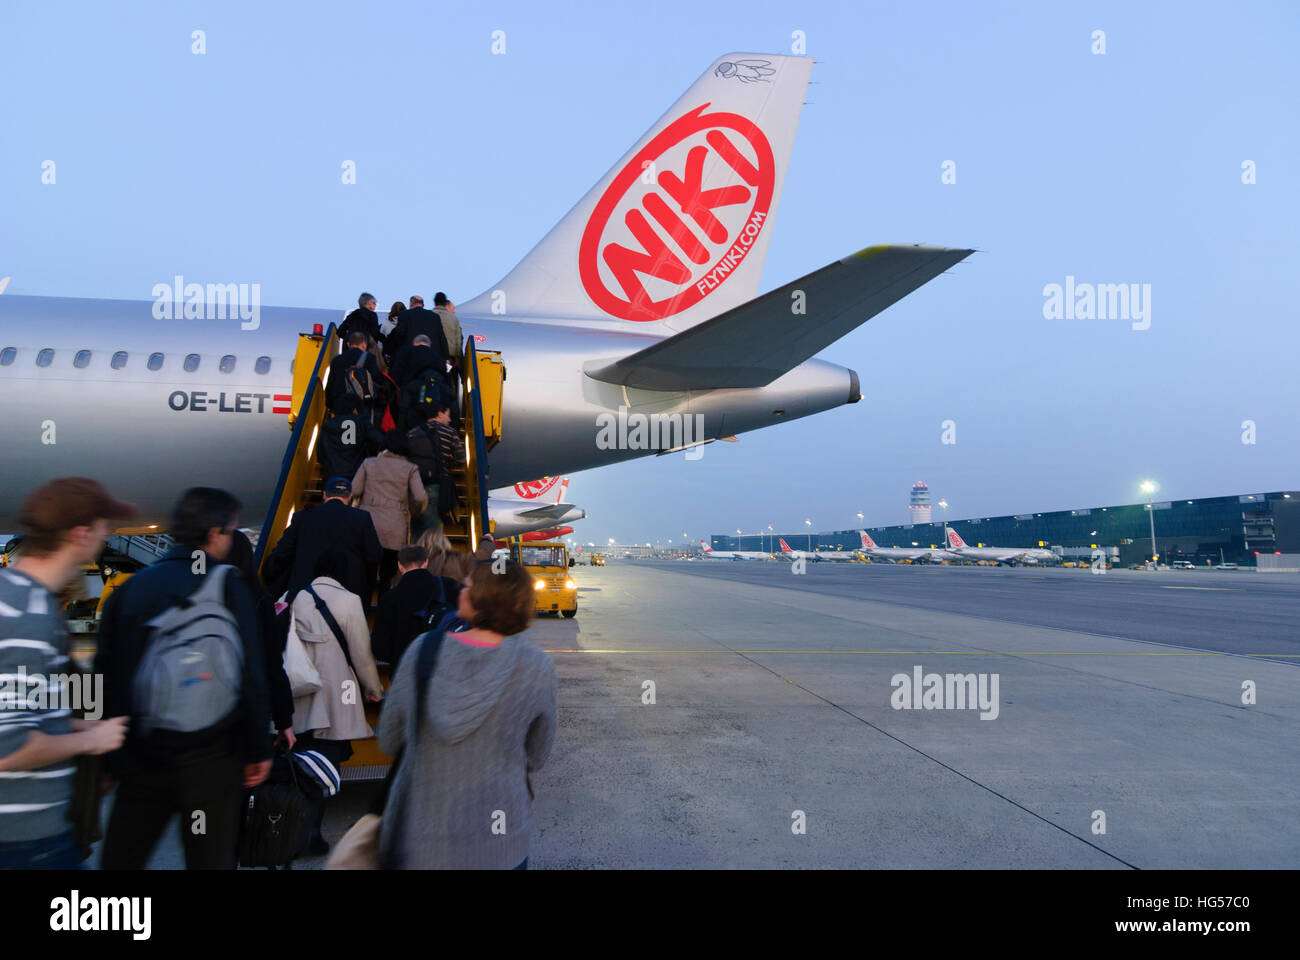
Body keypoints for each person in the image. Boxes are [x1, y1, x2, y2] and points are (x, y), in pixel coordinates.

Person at [96, 487, 272, 870]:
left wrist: (106, 757)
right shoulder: (227, 585)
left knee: (122, 861)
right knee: (208, 861)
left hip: (142, 758)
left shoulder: (133, 588)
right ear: (214, 534)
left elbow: (103, 674)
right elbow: (252, 674)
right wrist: (258, 748)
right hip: (213, 760)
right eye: (230, 532)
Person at [377, 559, 557, 869]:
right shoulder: (537, 666)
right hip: (501, 844)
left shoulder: (423, 651)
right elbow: (537, 755)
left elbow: (390, 740)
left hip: (421, 841)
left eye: (469, 585)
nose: (461, 591)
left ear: (484, 598)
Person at [0, 478, 134, 869]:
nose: (107, 534)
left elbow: (18, 707)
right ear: (80, 533)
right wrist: (93, 741)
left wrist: (75, 725)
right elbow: (10, 748)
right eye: (103, 525)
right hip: (26, 840)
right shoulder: (31, 616)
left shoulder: (15, 595)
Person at [290, 550, 384, 854]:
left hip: (298, 688)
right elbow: (360, 651)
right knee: (326, 763)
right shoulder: (350, 601)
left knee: (299, 760)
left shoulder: (294, 597)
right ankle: (311, 835)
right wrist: (373, 688)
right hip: (336, 691)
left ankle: (290, 830)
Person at [262, 476, 383, 606]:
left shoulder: (302, 516)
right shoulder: (362, 518)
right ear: (349, 497)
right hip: (347, 594)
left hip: (304, 593)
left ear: (324, 495)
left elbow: (283, 552)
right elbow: (374, 555)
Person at [224, 530, 294, 750]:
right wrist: (284, 721)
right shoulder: (258, 599)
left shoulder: (196, 593)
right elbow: (272, 665)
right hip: (244, 709)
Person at [350, 449, 427, 598]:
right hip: (395, 528)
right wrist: (411, 509)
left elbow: (355, 489)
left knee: (366, 576)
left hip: (368, 527)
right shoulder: (410, 468)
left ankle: (361, 612)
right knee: (388, 578)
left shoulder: (368, 463)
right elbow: (420, 497)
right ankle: (382, 612)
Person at [371, 545, 447, 668]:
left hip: (402, 667)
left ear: (400, 566)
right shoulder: (446, 587)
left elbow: (379, 648)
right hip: (440, 665)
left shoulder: (389, 598)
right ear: (426, 562)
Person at [395, 400, 464, 533]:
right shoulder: (450, 432)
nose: (450, 420)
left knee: (415, 531)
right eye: (448, 415)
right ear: (439, 414)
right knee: (433, 533)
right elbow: (461, 459)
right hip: (436, 487)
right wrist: (448, 462)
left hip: (414, 488)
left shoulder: (412, 433)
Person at [318, 393, 386, 484]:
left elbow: (320, 454)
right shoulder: (362, 422)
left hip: (332, 476)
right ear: (355, 410)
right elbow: (380, 441)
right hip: (357, 476)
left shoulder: (327, 426)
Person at [325, 330, 383, 417]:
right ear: (364, 344)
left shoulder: (336, 360)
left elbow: (330, 384)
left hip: (340, 403)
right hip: (361, 404)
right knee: (362, 428)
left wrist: (330, 404)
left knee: (342, 428)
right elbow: (377, 378)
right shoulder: (369, 358)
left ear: (348, 344)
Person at [389, 296, 450, 371]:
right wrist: (446, 357)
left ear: (411, 304)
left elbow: (399, 336)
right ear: (423, 304)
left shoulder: (404, 315)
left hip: (411, 359)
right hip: (431, 358)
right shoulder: (434, 316)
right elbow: (442, 338)